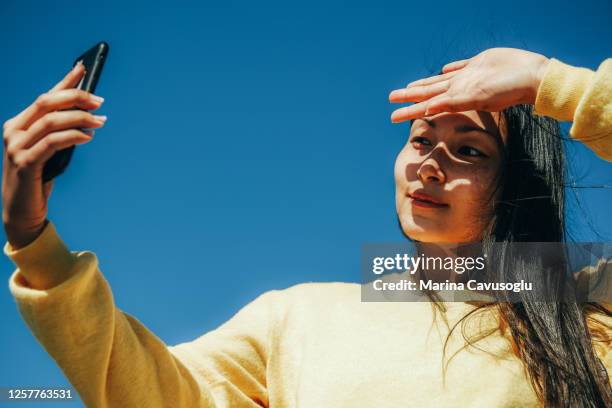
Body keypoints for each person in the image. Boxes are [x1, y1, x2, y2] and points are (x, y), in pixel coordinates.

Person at [2, 47, 610, 407]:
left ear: (517, 186)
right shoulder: (298, 317)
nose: (429, 164)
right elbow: (149, 389)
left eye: (469, 151)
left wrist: (548, 82)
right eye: (420, 140)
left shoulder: (587, 308)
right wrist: (34, 239)